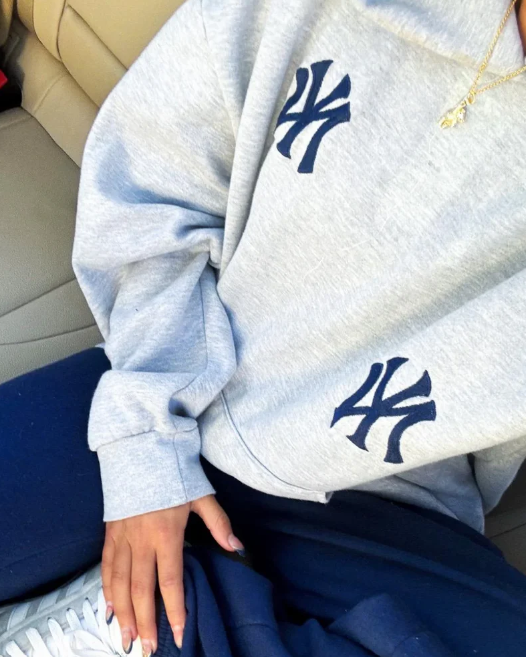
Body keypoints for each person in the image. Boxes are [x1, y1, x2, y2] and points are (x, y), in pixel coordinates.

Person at [2, 0, 526, 655]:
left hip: (386, 496)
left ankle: (149, 619)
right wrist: (144, 449)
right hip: (183, 378)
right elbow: (153, 174)